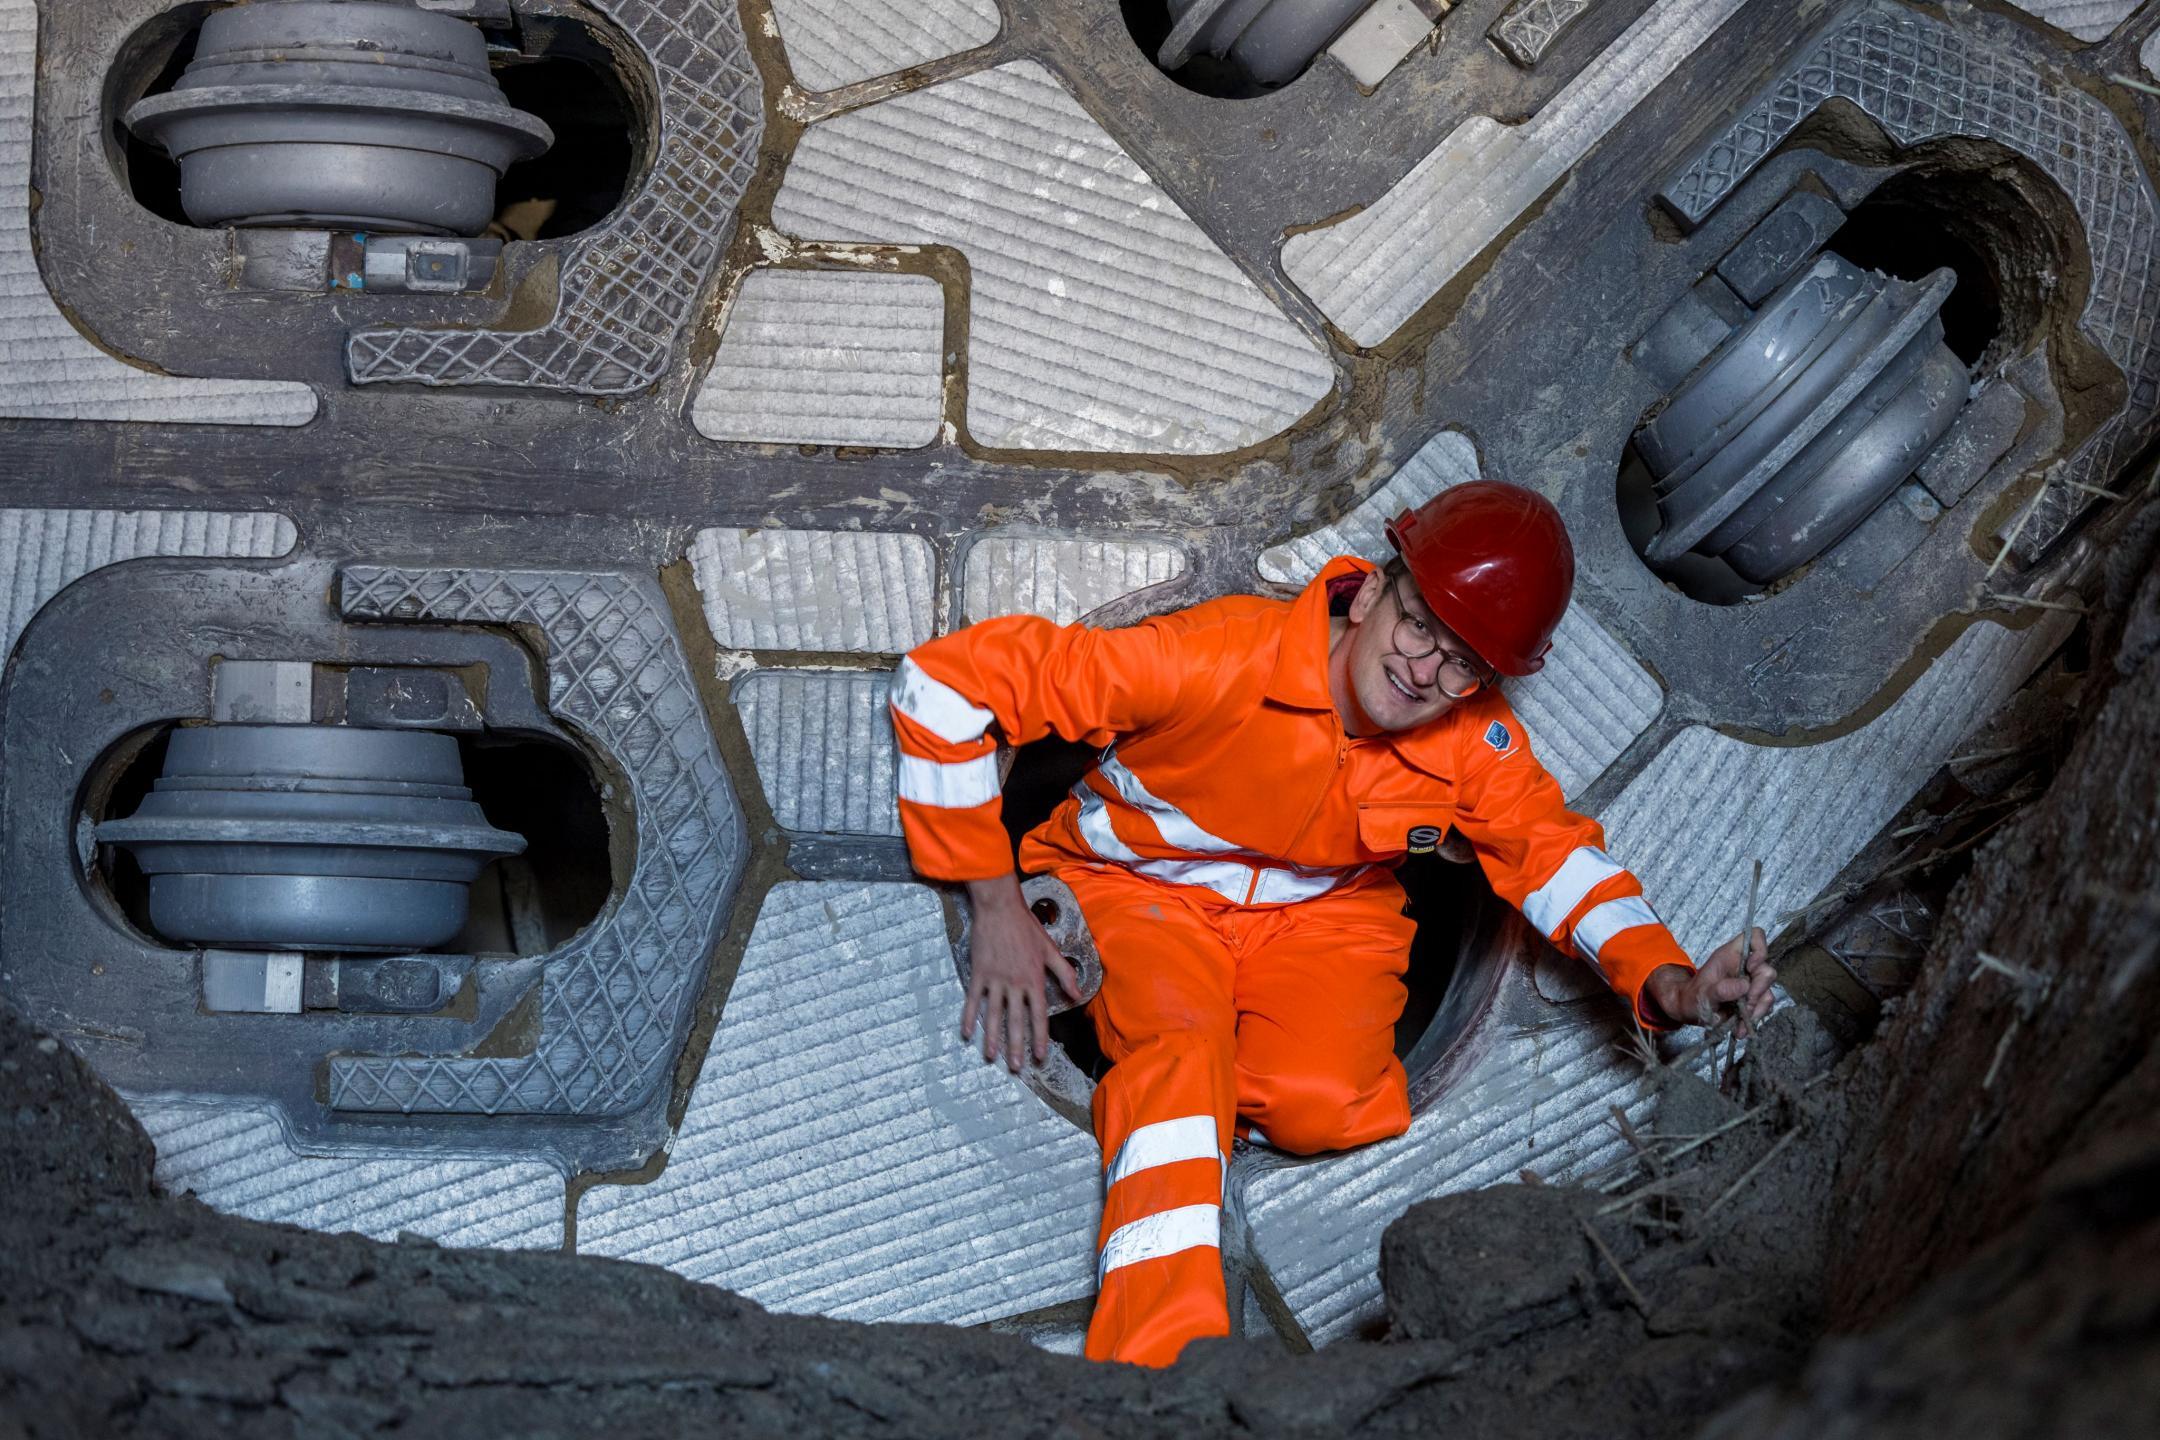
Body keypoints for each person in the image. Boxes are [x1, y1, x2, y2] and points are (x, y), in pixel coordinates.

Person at [887, 480, 1775, 1366]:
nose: (1426, 671)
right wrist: (994, 900)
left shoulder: (1473, 742)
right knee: (1179, 1065)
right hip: (1138, 887)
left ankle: (1206, 1087)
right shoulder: (1212, 655)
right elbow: (939, 689)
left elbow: (1556, 859)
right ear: (1377, 586)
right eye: (1421, 623)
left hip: (1322, 914)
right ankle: (1159, 1370)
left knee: (1325, 1110)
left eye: (1463, 662)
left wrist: (1669, 982)